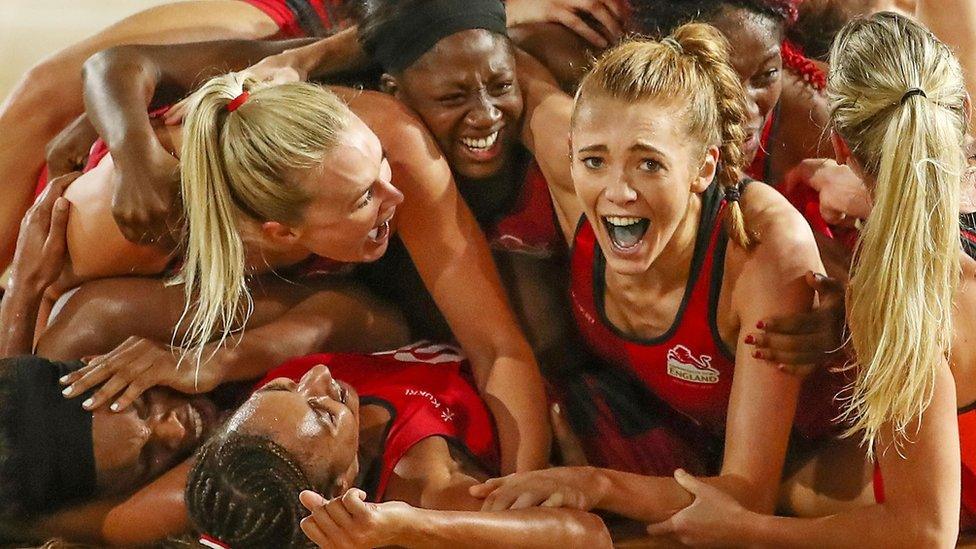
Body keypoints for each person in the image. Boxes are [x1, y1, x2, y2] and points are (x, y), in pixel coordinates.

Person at [55, 40, 549, 474]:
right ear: (281, 232)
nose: (395, 196)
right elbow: (42, 341)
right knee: (89, 318)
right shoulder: (139, 217)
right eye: (363, 199)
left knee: (539, 320)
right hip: (158, 253)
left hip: (299, 280)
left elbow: (497, 345)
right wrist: (25, 293)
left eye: (378, 166)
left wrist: (522, 489)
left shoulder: (394, 149)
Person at [469, 22, 842, 531]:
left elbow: (745, 500)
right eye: (595, 160)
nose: (617, 190)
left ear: (703, 168)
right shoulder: (572, 171)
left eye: (648, 164)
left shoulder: (762, 250)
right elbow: (513, 68)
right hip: (687, 430)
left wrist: (592, 483)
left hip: (830, 454)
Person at [0, 0, 625, 273]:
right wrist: (135, 152)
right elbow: (108, 69)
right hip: (349, 25)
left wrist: (478, 16)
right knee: (49, 88)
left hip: (411, 33)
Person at [185, 343, 612, 548]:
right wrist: (410, 525)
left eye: (283, 386)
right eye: (327, 411)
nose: (316, 374)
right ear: (341, 487)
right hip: (593, 390)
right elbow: (590, 537)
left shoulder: (244, 467)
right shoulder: (429, 489)